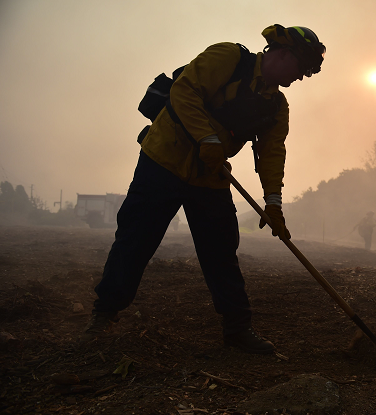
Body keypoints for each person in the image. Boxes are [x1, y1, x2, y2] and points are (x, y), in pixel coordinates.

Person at [80, 25, 326, 354]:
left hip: (209, 175)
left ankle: (238, 331)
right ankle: (104, 316)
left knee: (222, 252)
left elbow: (272, 154)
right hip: (164, 160)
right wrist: (206, 139)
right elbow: (184, 92)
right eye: (302, 68)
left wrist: (274, 203)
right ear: (284, 54)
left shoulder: (277, 108)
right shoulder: (227, 56)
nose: (301, 77)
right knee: (135, 241)